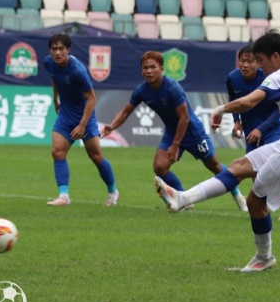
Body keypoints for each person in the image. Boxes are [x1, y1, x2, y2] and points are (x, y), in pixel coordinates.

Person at [154, 31, 280, 272]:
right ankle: (182, 198)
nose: (260, 66)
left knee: (255, 202)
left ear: (275, 56)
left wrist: (220, 109)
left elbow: (248, 102)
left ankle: (264, 257)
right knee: (239, 167)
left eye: (261, 59)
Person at [102, 51, 247, 211]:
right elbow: (125, 112)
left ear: (161, 69)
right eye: (145, 68)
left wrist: (176, 145)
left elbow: (184, 119)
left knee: (214, 166)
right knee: (159, 167)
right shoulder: (141, 90)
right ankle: (184, 199)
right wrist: (112, 126)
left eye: (152, 67)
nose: (149, 71)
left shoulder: (172, 88)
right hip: (172, 132)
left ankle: (237, 195)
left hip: (193, 133)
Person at [226, 45, 280, 221]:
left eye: (250, 61)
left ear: (258, 63)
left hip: (272, 128)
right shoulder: (232, 78)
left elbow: (278, 110)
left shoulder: (269, 79)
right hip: (251, 130)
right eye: (242, 60)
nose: (245, 65)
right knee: (255, 172)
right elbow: (234, 100)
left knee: (271, 167)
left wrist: (262, 129)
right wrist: (237, 120)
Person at [43, 33, 119, 207]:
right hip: (65, 114)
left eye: (61, 48)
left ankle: (113, 191)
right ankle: (64, 196)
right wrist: (55, 99)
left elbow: (92, 99)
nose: (57, 52)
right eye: (54, 49)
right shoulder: (48, 62)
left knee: (95, 156)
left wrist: (82, 125)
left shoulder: (78, 71)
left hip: (85, 115)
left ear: (68, 50)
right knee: (57, 151)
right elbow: (55, 78)